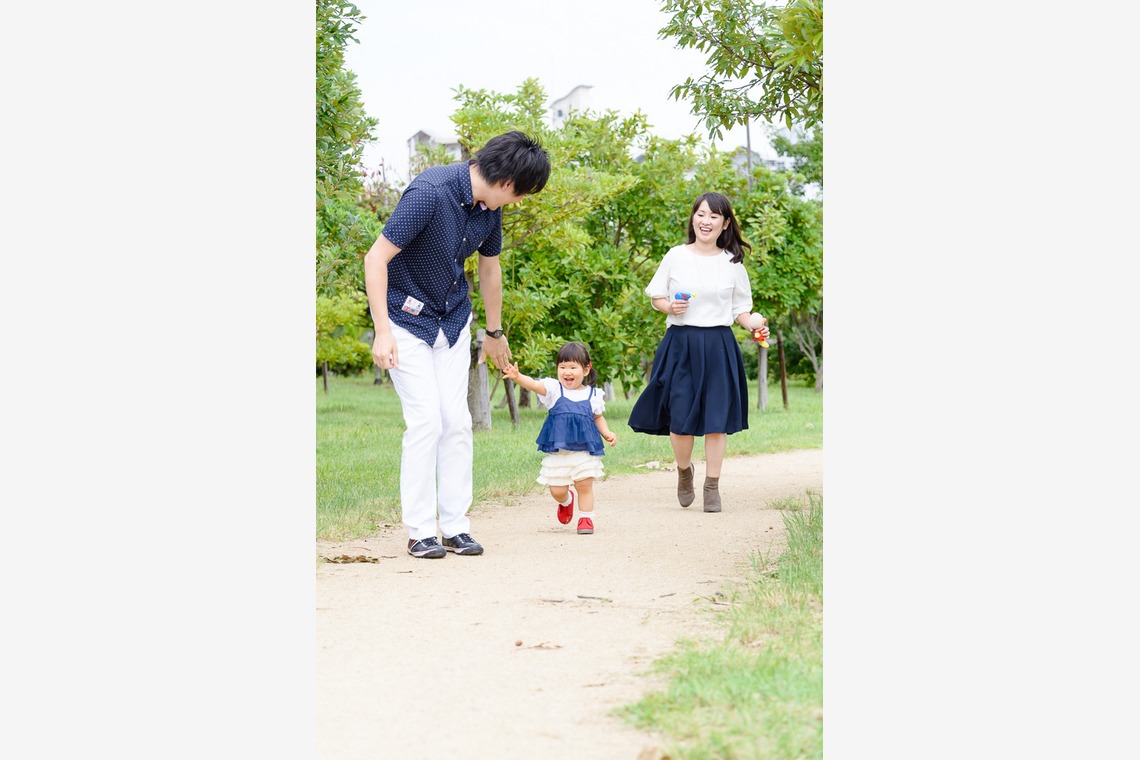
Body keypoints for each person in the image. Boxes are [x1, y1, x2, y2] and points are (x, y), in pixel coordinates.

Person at [363, 131, 552, 559]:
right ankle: (418, 531)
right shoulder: (430, 191)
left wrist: (495, 332)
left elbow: (490, 271)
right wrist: (382, 331)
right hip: (404, 321)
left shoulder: (490, 211)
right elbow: (375, 259)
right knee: (427, 420)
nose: (519, 203)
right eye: (522, 194)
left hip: (451, 322)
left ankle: (454, 527)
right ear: (508, 183)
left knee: (457, 422)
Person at [626, 192, 770, 513]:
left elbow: (741, 310)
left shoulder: (732, 263)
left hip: (719, 345)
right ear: (694, 219)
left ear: (725, 223)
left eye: (714, 216)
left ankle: (712, 486)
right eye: (701, 214)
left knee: (716, 421)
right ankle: (684, 471)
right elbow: (656, 297)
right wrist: (670, 307)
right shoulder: (676, 255)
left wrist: (754, 324)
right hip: (680, 344)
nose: (706, 221)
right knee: (680, 421)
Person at [502, 342, 617, 535]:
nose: (567, 372)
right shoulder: (555, 390)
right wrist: (517, 376)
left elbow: (598, 417)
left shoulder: (593, 395)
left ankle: (586, 519)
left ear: (586, 369)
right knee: (557, 490)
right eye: (562, 367)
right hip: (559, 451)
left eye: (573, 367)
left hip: (584, 450)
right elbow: (534, 384)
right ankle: (567, 501)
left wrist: (607, 433)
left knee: (584, 485)